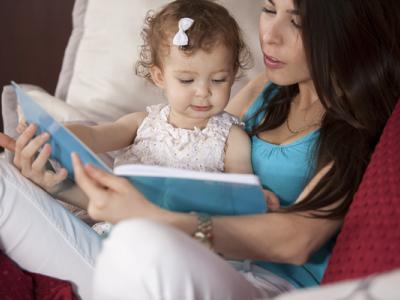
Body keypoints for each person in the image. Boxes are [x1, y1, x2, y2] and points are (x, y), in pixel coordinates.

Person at [0, 0, 399, 299]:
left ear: (347, 28)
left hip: (256, 280)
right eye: (268, 8)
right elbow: (190, 157)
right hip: (160, 254)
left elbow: (295, 241)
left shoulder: (361, 126)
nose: (269, 35)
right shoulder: (267, 89)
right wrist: (57, 188)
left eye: (296, 21)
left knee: (137, 243)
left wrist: (153, 219)